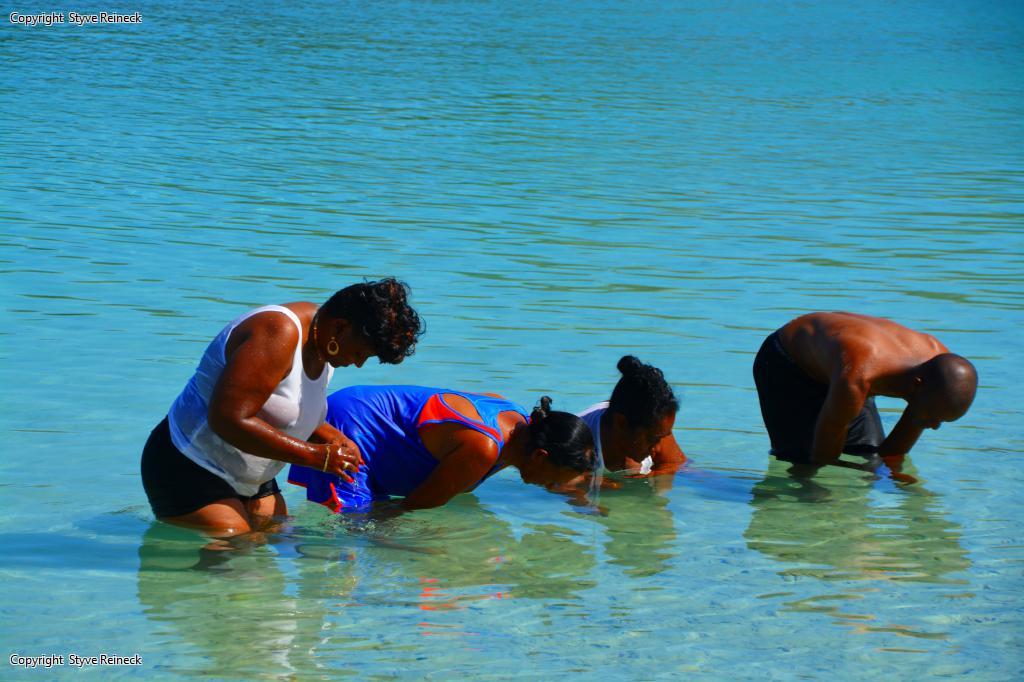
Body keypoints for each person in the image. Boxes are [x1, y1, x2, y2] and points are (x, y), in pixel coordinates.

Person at [141, 278, 424, 535]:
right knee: (235, 547)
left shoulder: (324, 347)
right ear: (339, 326)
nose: (358, 363)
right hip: (188, 463)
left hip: (250, 477)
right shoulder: (278, 332)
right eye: (361, 353)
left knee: (279, 543)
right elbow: (228, 419)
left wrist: (330, 437)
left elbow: (282, 413)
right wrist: (316, 457)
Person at [288, 386, 596, 512]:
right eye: (557, 477)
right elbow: (410, 507)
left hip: (355, 405)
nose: (553, 485)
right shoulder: (484, 448)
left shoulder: (517, 421)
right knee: (350, 532)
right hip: (349, 427)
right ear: (540, 456)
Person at [753, 312, 978, 481]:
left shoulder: (937, 374)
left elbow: (893, 451)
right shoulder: (860, 374)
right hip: (787, 364)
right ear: (916, 385)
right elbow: (825, 448)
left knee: (869, 458)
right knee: (802, 460)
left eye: (941, 420)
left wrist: (893, 476)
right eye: (933, 416)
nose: (935, 425)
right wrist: (814, 487)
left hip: (843, 369)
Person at [577, 355, 685, 476]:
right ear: (621, 423)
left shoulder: (657, 425)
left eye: (664, 435)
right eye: (652, 439)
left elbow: (678, 467)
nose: (658, 447)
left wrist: (655, 476)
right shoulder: (574, 441)